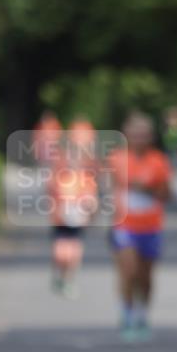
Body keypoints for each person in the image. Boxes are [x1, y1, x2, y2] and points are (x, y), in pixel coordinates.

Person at [108, 113, 172, 341]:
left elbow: (167, 195)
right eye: (135, 134)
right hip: (124, 226)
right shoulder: (116, 159)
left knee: (145, 276)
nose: (139, 138)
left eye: (143, 134)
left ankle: (142, 314)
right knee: (129, 270)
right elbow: (106, 190)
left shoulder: (158, 161)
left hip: (151, 227)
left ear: (150, 137)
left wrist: (146, 189)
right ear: (126, 135)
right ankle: (126, 314)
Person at [48, 118, 99, 298]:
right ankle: (60, 274)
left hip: (77, 220)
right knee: (60, 252)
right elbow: (51, 191)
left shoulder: (86, 177)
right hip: (60, 219)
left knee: (74, 251)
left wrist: (91, 212)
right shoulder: (59, 173)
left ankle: (69, 279)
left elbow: (91, 199)